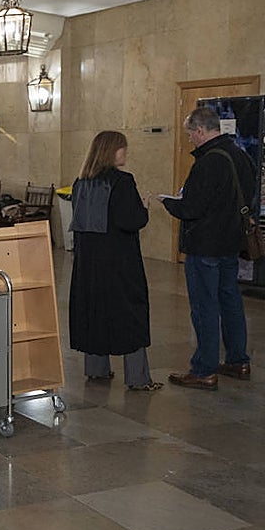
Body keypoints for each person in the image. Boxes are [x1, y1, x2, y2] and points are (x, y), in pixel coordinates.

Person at [158, 106, 254, 390]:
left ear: (201, 131)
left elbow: (192, 207)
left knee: (204, 306)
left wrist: (166, 202)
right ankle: (238, 360)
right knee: (231, 302)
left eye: (190, 133)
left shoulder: (208, 162)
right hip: (231, 243)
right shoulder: (241, 155)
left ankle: (204, 369)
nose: (189, 139)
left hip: (205, 246)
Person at [68, 131, 161, 391]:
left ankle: (97, 369)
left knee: (94, 310)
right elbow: (131, 221)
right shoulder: (122, 181)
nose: (126, 153)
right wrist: (144, 209)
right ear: (111, 151)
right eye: (123, 148)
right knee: (129, 313)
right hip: (120, 262)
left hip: (88, 263)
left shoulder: (81, 182)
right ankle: (138, 378)